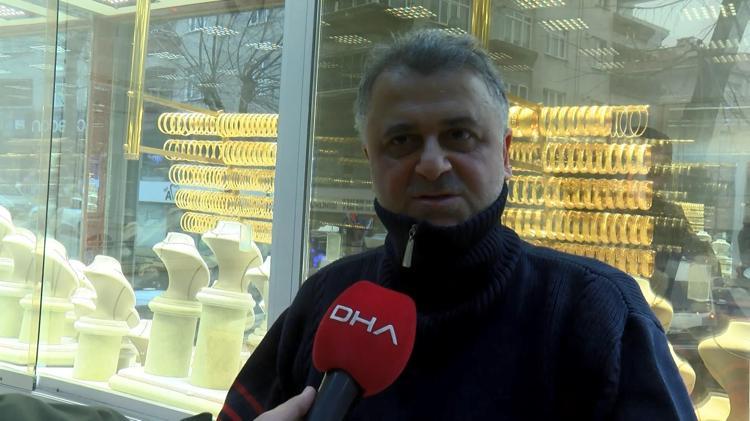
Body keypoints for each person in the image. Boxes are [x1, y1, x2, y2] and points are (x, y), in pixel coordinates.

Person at [219, 30, 696, 420]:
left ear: (505, 154)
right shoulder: (325, 301)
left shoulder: (598, 314)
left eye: (459, 135)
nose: (431, 164)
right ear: (370, 160)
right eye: (402, 141)